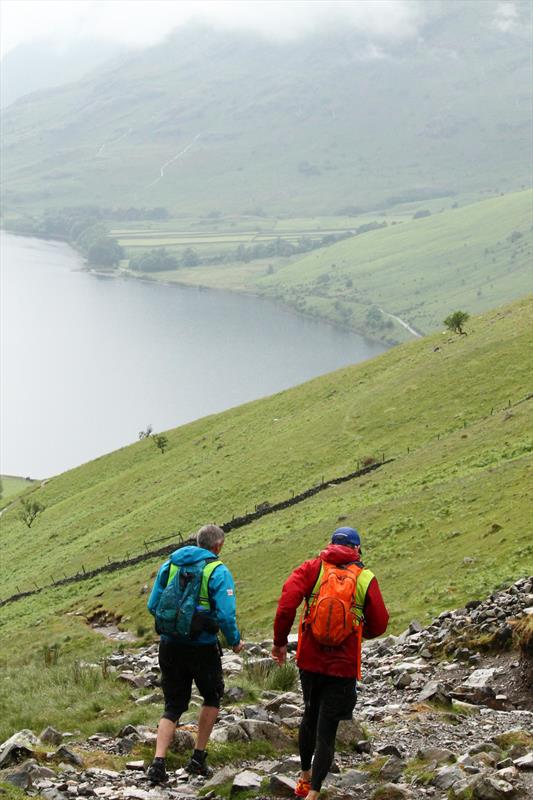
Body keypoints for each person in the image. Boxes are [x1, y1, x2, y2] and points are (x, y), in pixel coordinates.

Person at [272, 526, 389, 800]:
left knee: (309, 716)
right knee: (328, 729)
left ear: (330, 544)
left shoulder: (313, 569)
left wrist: (279, 642)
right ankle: (314, 793)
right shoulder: (365, 577)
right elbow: (381, 623)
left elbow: (286, 605)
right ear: (357, 549)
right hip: (343, 664)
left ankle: (303, 777)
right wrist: (356, 631)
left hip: (309, 660)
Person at [146, 524, 243, 784]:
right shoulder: (218, 570)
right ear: (218, 545)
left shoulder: (171, 565)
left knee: (173, 705)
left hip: (170, 645)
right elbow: (225, 613)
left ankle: (158, 763)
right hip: (202, 647)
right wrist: (234, 640)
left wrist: (176, 623)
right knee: (211, 696)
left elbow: (152, 605)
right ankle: (198, 758)